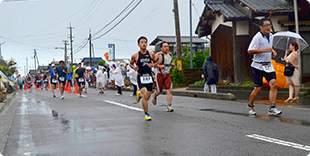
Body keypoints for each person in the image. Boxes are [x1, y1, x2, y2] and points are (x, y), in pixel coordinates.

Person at [247, 18, 281, 116]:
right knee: (258, 88)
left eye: (269, 25)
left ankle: (272, 107)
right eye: (265, 25)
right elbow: (250, 51)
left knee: (273, 84)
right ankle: (250, 105)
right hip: (257, 66)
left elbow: (269, 47)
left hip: (268, 65)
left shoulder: (271, 36)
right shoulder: (257, 37)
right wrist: (264, 50)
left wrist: (272, 51)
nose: (268, 27)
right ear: (261, 27)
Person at [130, 36, 157, 121]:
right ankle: (147, 113)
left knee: (147, 97)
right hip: (141, 76)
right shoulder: (135, 56)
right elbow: (131, 64)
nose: (144, 44)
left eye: (145, 42)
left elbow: (156, 62)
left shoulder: (150, 54)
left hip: (149, 76)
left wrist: (152, 65)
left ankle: (139, 95)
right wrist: (134, 68)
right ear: (138, 44)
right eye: (142, 42)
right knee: (145, 95)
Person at [152, 41, 176, 112]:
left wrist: (171, 64)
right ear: (161, 48)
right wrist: (159, 66)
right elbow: (152, 64)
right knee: (159, 91)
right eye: (165, 47)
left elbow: (167, 63)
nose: (166, 48)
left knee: (169, 90)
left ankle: (169, 106)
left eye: (167, 46)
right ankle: (154, 96)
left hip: (167, 75)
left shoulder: (170, 55)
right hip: (159, 75)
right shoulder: (158, 55)